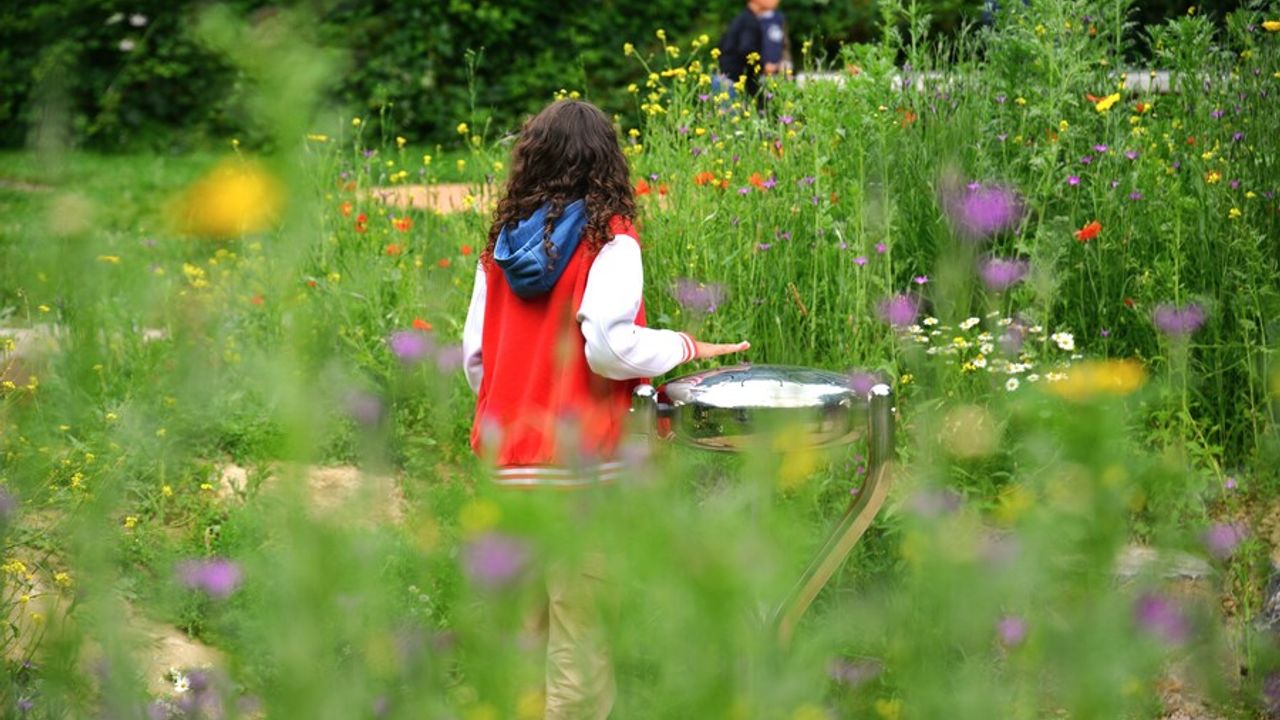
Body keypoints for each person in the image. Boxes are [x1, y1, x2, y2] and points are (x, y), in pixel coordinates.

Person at [461, 99, 748, 719]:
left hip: (507, 466)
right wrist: (684, 346)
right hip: (583, 469)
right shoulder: (609, 240)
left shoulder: (500, 248)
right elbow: (609, 347)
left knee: (519, 636)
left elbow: (476, 359)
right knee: (579, 640)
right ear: (607, 163)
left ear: (529, 161)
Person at [716, 0, 786, 101]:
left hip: (726, 78)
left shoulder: (743, 18)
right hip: (732, 81)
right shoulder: (750, 22)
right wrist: (764, 66)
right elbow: (747, 49)